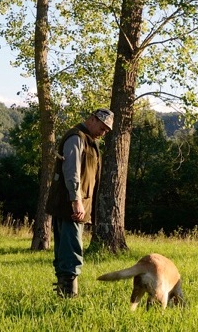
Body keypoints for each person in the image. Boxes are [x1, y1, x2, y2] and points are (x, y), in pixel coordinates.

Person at [45, 108, 113, 298]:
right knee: (71, 248)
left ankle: (63, 291)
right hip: (72, 205)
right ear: (92, 119)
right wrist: (76, 201)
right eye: (102, 127)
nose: (104, 132)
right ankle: (68, 295)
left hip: (75, 205)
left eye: (107, 130)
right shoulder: (77, 137)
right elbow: (71, 171)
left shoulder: (89, 141)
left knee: (67, 248)